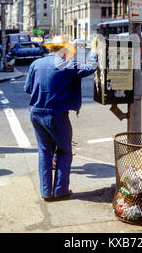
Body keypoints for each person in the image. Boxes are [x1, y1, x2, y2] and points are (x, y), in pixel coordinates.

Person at [24, 35, 98, 202]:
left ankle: (46, 192)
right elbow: (91, 67)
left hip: (35, 113)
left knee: (44, 152)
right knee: (64, 151)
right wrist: (93, 50)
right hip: (55, 115)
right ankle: (60, 191)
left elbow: (28, 88)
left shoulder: (35, 64)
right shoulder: (65, 65)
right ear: (63, 50)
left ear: (51, 48)